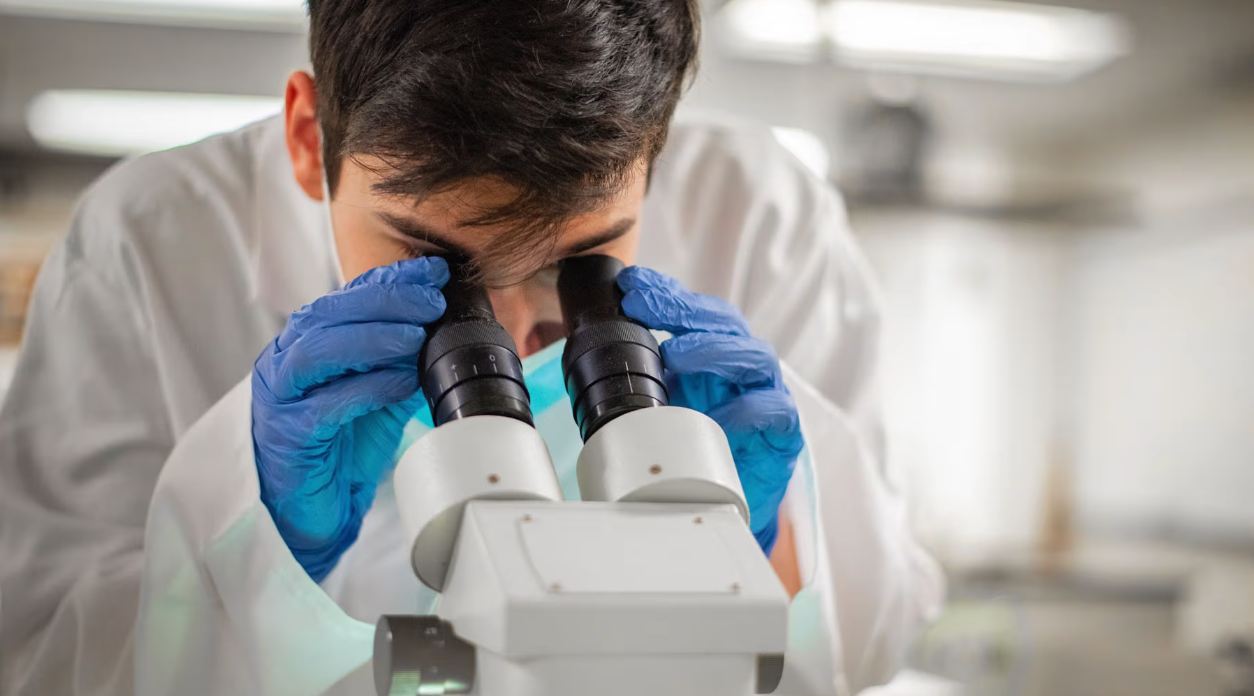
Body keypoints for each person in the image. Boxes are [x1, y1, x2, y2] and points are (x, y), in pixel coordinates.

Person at [0, 1, 942, 694]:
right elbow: (38, 661)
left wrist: (776, 543)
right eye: (436, 261)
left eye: (581, 261)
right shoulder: (149, 243)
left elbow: (884, 627)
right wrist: (251, 546)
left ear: (657, 153)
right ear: (305, 133)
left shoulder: (762, 216)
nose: (513, 329)